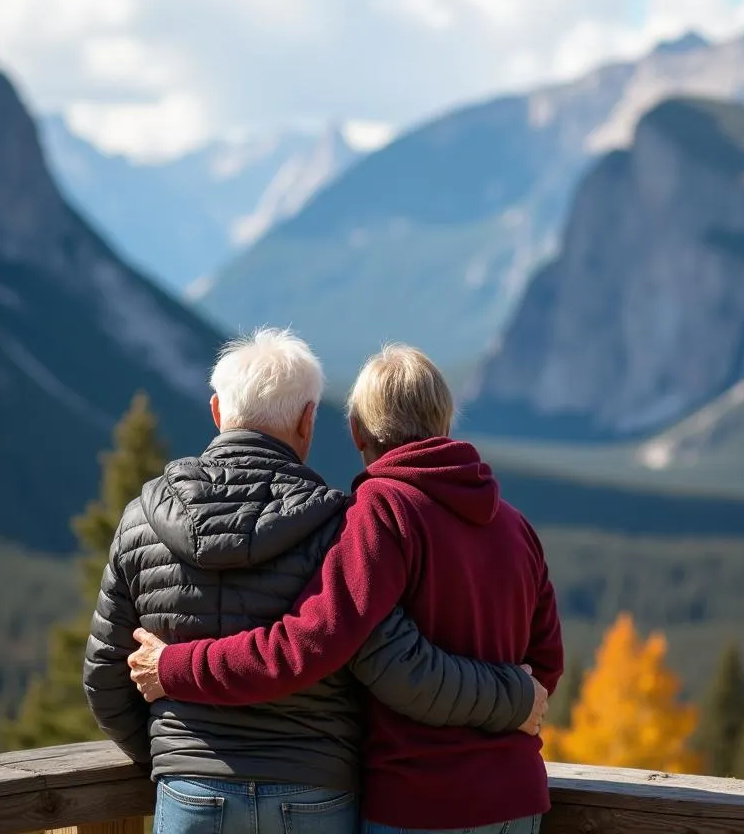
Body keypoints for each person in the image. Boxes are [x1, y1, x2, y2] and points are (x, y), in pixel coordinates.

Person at [84, 329, 547, 834]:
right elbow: (392, 659)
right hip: (332, 794)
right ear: (309, 422)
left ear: (217, 411)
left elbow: (106, 677)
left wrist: (175, 752)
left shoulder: (140, 521)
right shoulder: (342, 524)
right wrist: (517, 699)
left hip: (199, 789)